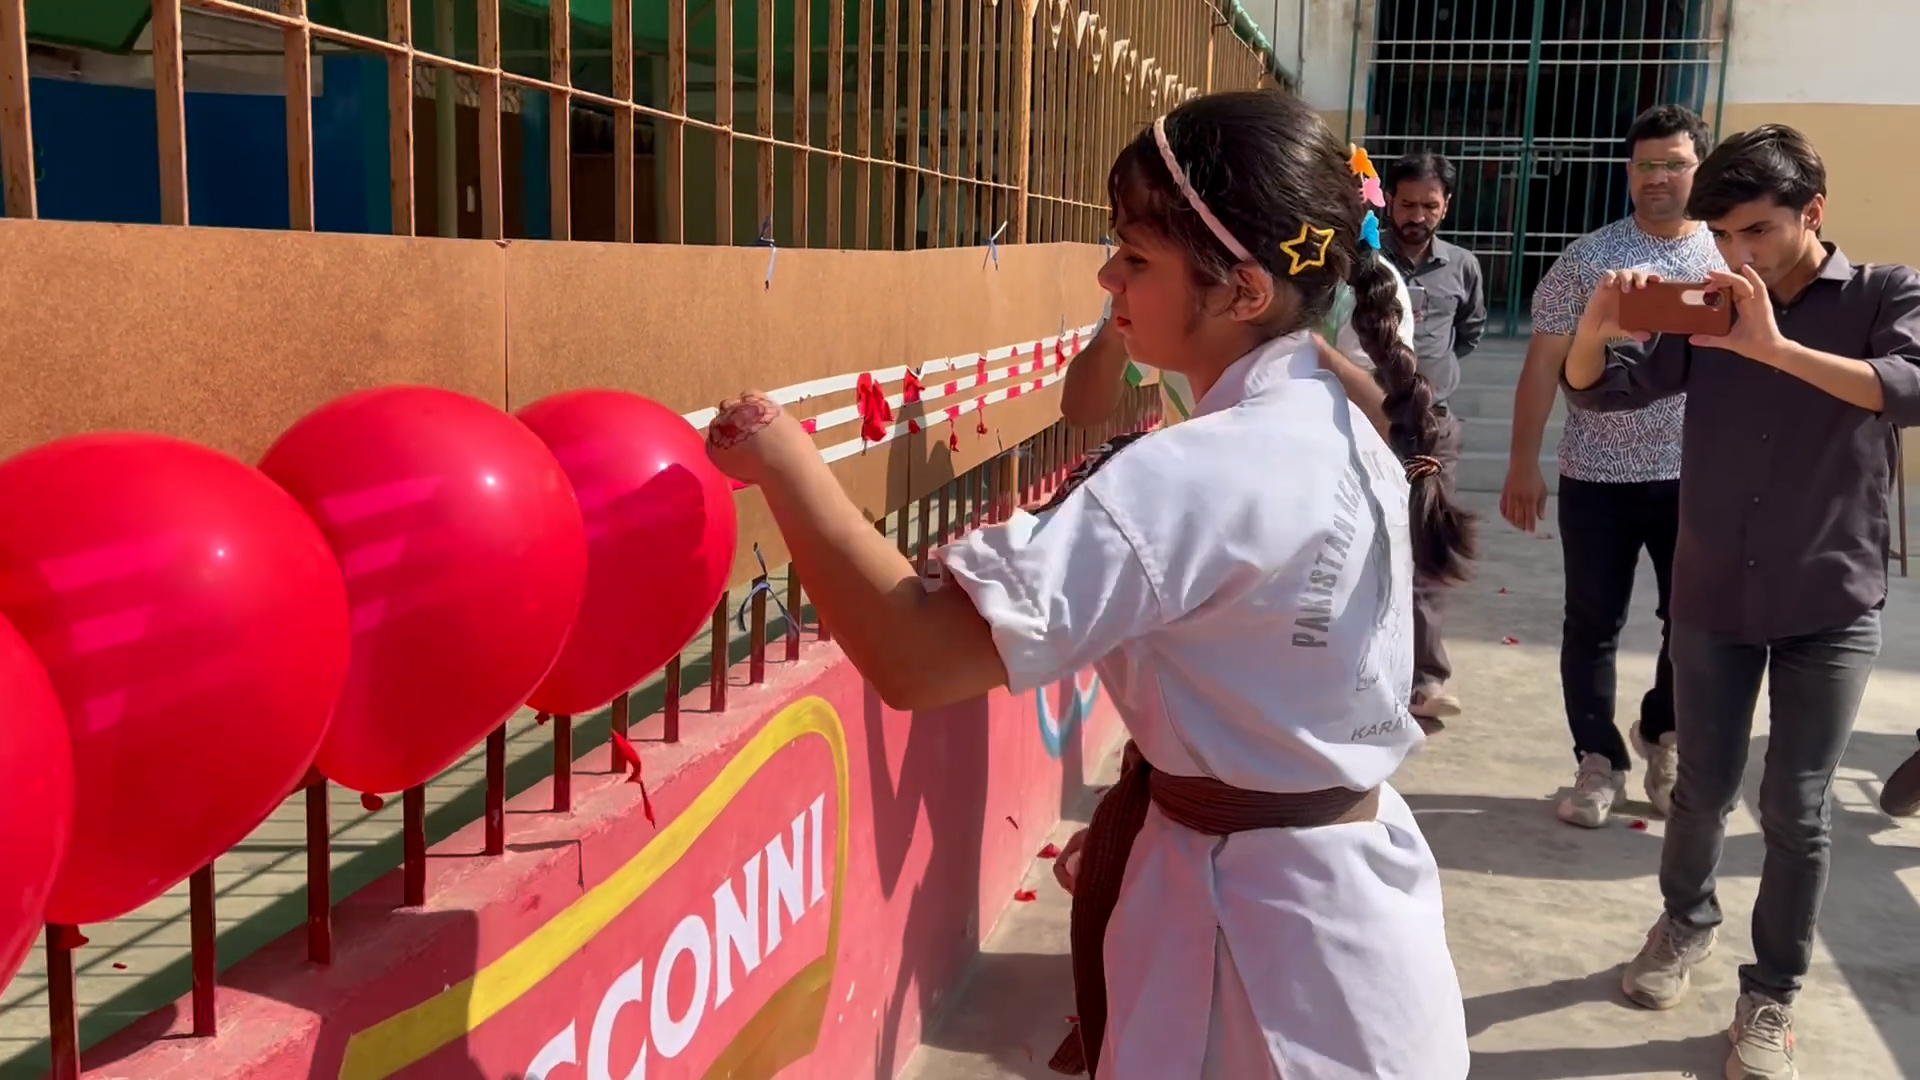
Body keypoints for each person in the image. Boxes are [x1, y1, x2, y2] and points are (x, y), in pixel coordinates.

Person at [705, 89, 1473, 1079]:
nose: (1108, 275)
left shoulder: (1200, 471)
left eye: (1136, 258)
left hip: (1267, 955)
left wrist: (783, 460)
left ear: (1242, 292)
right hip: (1329, 899)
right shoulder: (1340, 416)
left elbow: (915, 657)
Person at [1564, 124, 1920, 1080]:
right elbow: (1605, 397)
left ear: (1813, 213)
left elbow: (1908, 389)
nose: (1735, 255)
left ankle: (1770, 998)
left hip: (1830, 596)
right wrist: (1596, 330)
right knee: (1700, 793)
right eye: (1722, 235)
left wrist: (1769, 346)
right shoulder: (1714, 308)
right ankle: (1683, 925)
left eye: (1755, 231)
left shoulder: (1887, 293)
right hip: (1714, 591)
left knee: (1797, 809)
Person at [1502, 104, 1724, 829]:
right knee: (1591, 622)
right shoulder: (1588, 257)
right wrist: (1522, 463)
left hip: (1695, 478)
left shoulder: (1727, 260)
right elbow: (1542, 366)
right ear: (1629, 173)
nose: (1658, 177)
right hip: (1596, 476)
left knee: (1689, 623)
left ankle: (1662, 734)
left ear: (1700, 170)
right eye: (1646, 165)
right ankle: (1598, 759)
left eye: (1674, 164)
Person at [1062, 254, 1418, 430]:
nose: (1107, 274)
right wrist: (1119, 322)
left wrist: (1309, 350)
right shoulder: (1165, 281)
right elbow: (1083, 410)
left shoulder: (1359, 295)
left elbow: (1387, 430)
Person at [1382, 151, 1487, 722]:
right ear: (1390, 202)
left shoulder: (1462, 266)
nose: (1416, 215)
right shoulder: (1366, 262)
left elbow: (1469, 332)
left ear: (1446, 206)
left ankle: (1426, 679)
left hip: (1432, 431)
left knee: (1426, 546)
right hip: (1371, 419)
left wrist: (1431, 379)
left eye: (1429, 205)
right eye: (1406, 204)